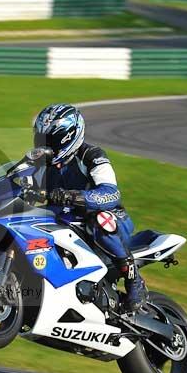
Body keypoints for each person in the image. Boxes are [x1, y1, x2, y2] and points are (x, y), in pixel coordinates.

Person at [32, 103, 147, 314]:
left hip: (110, 219)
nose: (45, 145)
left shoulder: (91, 155)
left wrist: (72, 196)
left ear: (68, 137)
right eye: (41, 138)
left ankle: (133, 279)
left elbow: (111, 193)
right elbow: (16, 179)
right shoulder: (42, 164)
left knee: (100, 220)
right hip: (65, 220)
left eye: (50, 140)